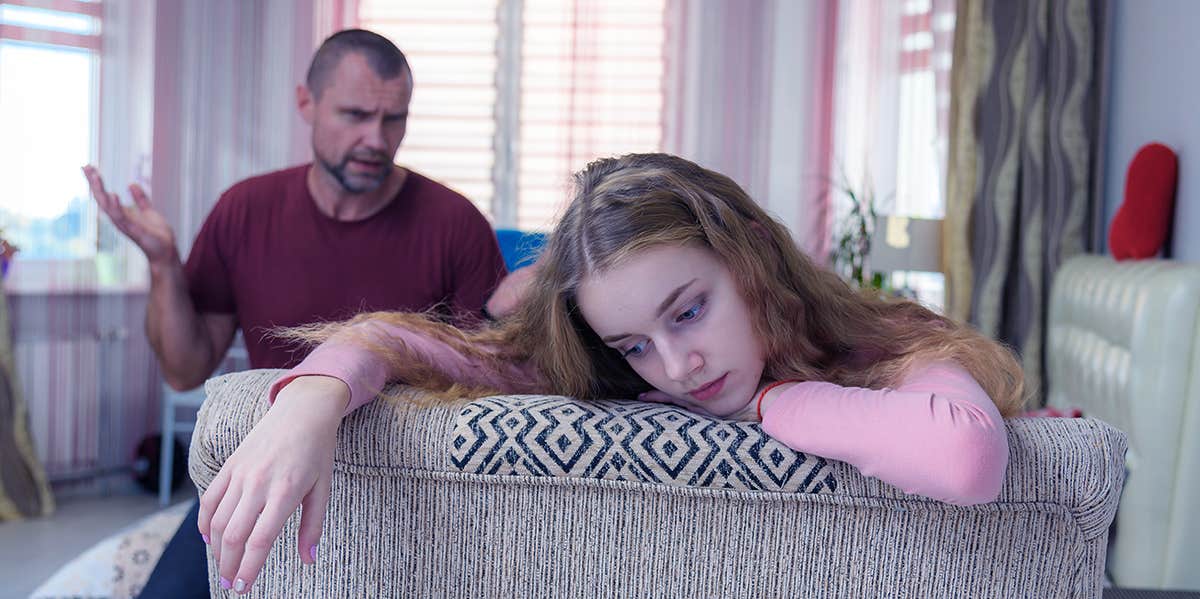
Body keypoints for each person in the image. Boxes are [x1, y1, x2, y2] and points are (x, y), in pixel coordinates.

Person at [199, 153, 1026, 594]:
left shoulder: (877, 343)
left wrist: (776, 398)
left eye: (690, 309)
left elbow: (966, 458)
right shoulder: (597, 360)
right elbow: (406, 340)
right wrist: (310, 397)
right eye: (632, 344)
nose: (676, 368)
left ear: (750, 259)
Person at [84, 29, 525, 598]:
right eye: (356, 114)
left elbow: (488, 386)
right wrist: (165, 266)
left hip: (401, 480)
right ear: (306, 104)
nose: (376, 138)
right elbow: (185, 369)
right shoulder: (245, 209)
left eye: (394, 119)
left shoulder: (454, 223)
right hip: (260, 463)